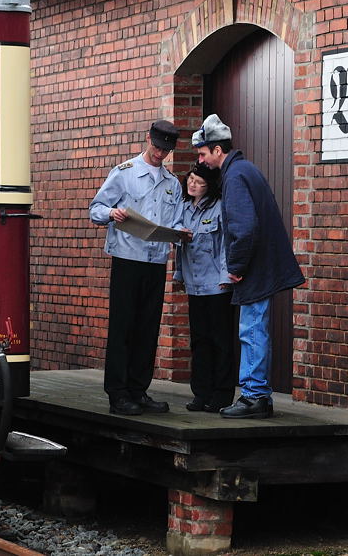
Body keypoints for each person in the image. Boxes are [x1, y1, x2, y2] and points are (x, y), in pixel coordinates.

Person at [192, 114, 306, 419]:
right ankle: (259, 395)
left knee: (252, 329)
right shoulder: (243, 170)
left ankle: (254, 396)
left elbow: (244, 227)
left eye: (203, 153)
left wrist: (237, 266)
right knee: (255, 328)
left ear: (217, 150)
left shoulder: (234, 176)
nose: (200, 161)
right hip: (262, 264)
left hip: (255, 267)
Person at [89, 120, 183, 415]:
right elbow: (96, 209)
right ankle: (117, 393)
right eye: (157, 147)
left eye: (165, 150)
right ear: (147, 140)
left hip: (155, 261)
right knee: (123, 327)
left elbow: (176, 221)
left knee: (147, 327)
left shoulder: (173, 184)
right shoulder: (125, 173)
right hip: (128, 258)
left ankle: (138, 390)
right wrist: (111, 212)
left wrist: (181, 233)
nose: (160, 154)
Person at [173, 162, 235, 413]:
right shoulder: (184, 209)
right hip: (195, 284)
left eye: (199, 182)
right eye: (190, 180)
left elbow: (225, 245)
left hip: (217, 285)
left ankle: (221, 394)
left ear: (210, 186)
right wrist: (179, 275)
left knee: (220, 340)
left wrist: (226, 277)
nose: (192, 184)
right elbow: (179, 246)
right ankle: (201, 393)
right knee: (199, 340)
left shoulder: (220, 208)